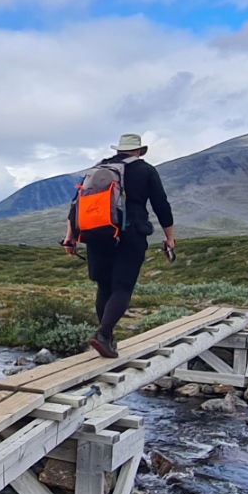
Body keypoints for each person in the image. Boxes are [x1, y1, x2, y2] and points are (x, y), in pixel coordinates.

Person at [62, 131, 175, 358]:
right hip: (130, 234)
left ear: (118, 149)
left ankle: (107, 338)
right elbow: (161, 205)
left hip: (96, 233)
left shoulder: (97, 170)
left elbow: (77, 205)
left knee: (104, 286)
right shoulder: (145, 170)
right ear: (139, 151)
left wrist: (70, 237)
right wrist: (169, 238)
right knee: (122, 287)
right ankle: (104, 334)